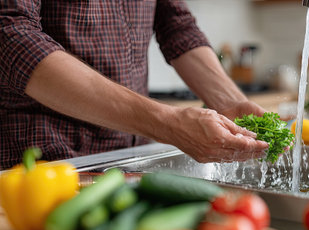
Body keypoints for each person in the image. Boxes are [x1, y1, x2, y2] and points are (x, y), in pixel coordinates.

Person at [0, 1, 269, 169]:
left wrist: (231, 102)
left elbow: (176, 24)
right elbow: (12, 36)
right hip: (43, 162)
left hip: (130, 159)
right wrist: (166, 122)